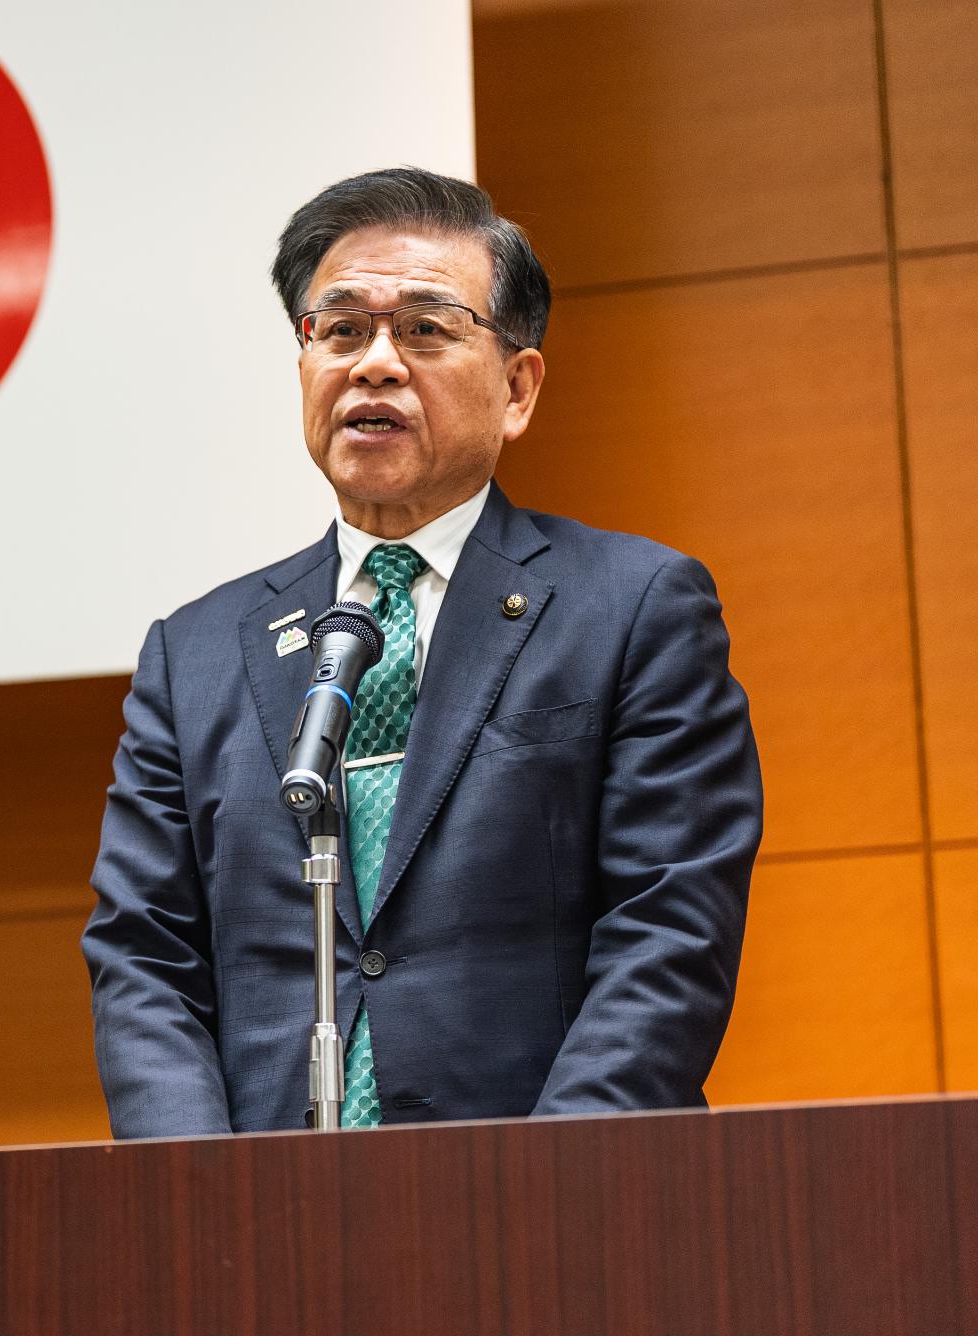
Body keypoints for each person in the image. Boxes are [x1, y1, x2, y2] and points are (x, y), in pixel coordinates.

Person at [81, 167, 762, 1134]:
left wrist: (541, 1187)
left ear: (518, 387)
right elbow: (145, 958)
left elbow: (671, 928)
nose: (375, 364)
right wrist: (204, 1200)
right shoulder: (193, 656)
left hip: (552, 1212)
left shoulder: (634, 607)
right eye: (342, 329)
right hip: (263, 1227)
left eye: (428, 329)